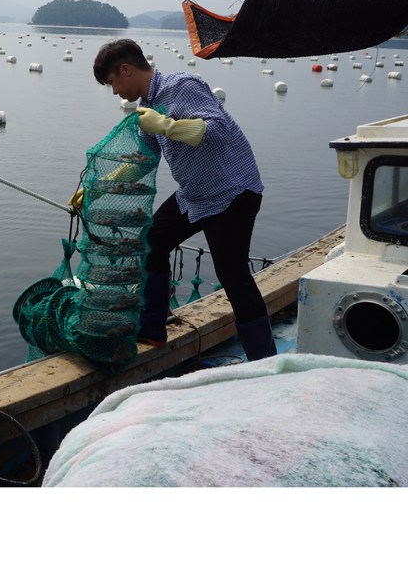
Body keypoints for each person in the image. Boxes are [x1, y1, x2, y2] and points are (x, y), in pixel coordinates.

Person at [76, 38, 276, 361]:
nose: (114, 92)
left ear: (126, 70)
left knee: (232, 275)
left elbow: (217, 130)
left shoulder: (183, 85)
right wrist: (96, 187)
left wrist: (166, 125)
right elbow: (141, 161)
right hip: (194, 196)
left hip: (233, 192)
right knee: (152, 243)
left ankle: (265, 358)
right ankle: (152, 331)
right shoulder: (148, 108)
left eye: (113, 83)